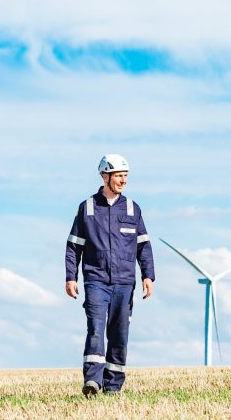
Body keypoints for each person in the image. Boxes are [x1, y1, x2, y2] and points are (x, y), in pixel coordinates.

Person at [65, 154, 155, 397]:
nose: (123, 180)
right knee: (95, 328)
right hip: (96, 279)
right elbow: (74, 246)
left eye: (126, 176)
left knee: (119, 333)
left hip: (125, 282)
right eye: (119, 176)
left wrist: (148, 275)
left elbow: (143, 245)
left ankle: (113, 386)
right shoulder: (87, 208)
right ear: (105, 176)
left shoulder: (132, 208)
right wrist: (70, 277)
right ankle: (93, 381)